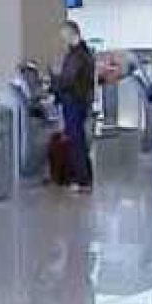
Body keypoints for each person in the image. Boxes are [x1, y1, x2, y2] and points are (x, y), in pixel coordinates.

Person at [51, 21, 96, 193]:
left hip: (74, 102)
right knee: (79, 140)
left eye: (64, 36)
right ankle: (85, 177)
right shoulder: (84, 54)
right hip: (80, 101)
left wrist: (55, 80)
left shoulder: (77, 56)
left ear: (72, 35)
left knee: (76, 140)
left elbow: (68, 80)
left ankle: (81, 179)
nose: (63, 41)